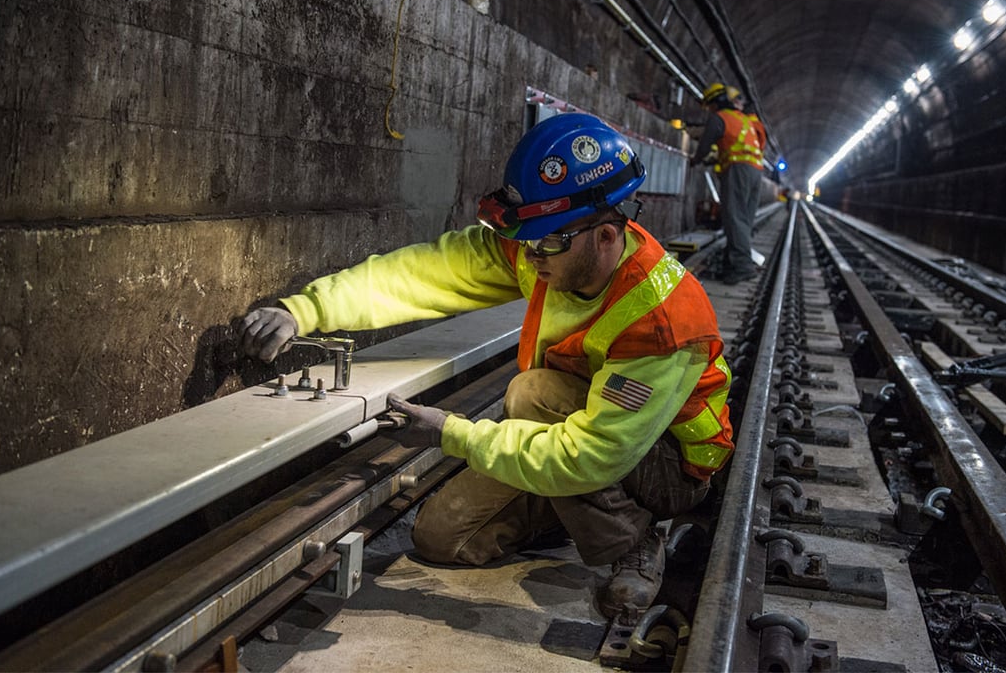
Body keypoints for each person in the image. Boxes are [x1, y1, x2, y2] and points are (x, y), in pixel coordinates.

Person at [238, 113, 734, 619]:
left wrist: (451, 433)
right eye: (526, 240)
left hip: (667, 462)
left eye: (547, 243)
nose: (532, 256)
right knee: (442, 539)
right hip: (582, 428)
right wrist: (305, 311)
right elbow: (422, 274)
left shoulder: (664, 321)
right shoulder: (546, 246)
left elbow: (593, 455)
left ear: (605, 237)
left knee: (530, 393)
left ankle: (632, 537)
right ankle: (569, 507)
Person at [691, 83, 768, 284]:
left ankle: (743, 266)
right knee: (744, 219)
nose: (710, 111)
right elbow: (758, 142)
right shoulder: (746, 119)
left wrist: (696, 160)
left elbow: (705, 145)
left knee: (734, 218)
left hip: (738, 170)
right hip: (756, 171)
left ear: (715, 103)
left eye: (709, 106)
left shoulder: (720, 118)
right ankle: (732, 260)